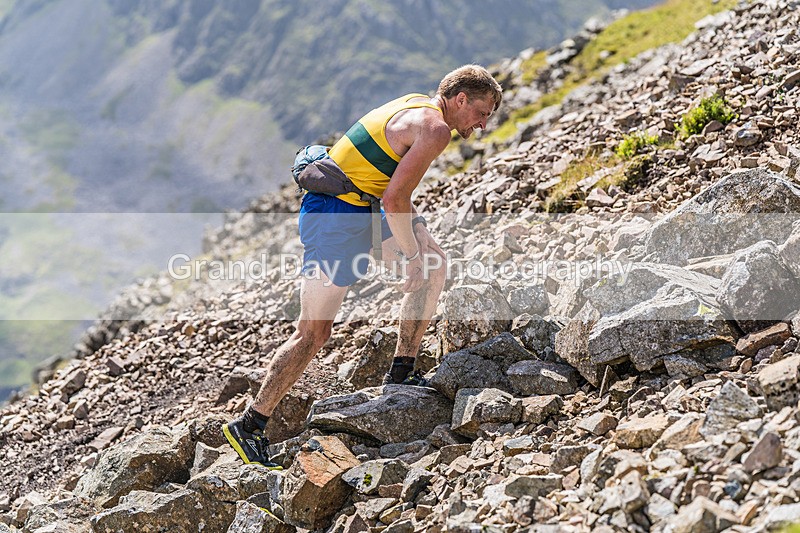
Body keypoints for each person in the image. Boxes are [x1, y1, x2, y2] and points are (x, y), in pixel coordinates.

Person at [224, 65, 502, 467]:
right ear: (460, 99)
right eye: (483, 112)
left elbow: (387, 185)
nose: (482, 124)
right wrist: (409, 253)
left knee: (434, 263)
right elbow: (394, 199)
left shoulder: (418, 105)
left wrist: (417, 239)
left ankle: (402, 370)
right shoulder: (436, 128)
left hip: (361, 205)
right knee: (313, 333)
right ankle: (249, 426)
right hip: (334, 216)